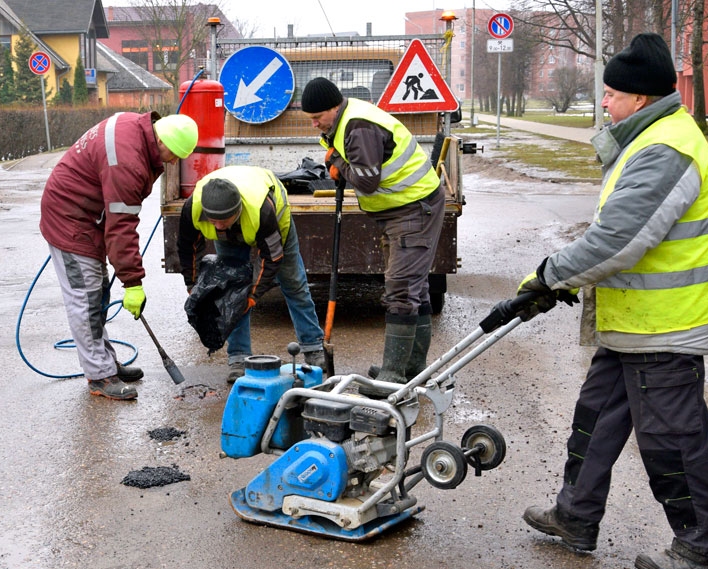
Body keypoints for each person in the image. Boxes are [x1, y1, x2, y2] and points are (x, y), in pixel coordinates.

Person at [511, 33, 708, 569]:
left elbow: (618, 240)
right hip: (633, 324)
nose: (604, 101)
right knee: (595, 421)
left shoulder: (666, 148)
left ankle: (705, 546)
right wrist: (561, 278)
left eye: (610, 94)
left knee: (672, 441)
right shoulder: (647, 136)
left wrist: (550, 275)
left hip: (666, 326)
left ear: (639, 97)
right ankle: (575, 515)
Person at [300, 77, 445, 397]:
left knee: (402, 288)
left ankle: (394, 375)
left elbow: (366, 182)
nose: (314, 124)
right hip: (400, 209)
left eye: (317, 117)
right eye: (310, 119)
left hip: (414, 207)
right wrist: (338, 160)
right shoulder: (343, 122)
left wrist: (338, 163)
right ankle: (411, 369)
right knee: (413, 287)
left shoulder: (358, 128)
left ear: (334, 107)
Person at [40, 112, 199, 400]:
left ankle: (105, 363)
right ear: (161, 141)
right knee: (86, 300)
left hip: (88, 214)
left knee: (98, 293)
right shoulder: (127, 163)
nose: (173, 162)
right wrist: (133, 283)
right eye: (174, 155)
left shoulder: (138, 130)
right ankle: (99, 376)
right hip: (70, 219)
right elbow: (122, 229)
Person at [176, 165, 326, 383]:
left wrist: (253, 296)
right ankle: (239, 358)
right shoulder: (193, 209)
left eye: (224, 220)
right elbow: (187, 249)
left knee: (294, 284)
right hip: (238, 224)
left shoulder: (262, 211)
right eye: (213, 220)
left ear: (237, 210)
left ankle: (313, 347)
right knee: (232, 292)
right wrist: (192, 285)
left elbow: (272, 258)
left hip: (273, 223)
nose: (218, 226)